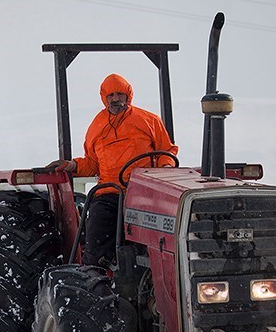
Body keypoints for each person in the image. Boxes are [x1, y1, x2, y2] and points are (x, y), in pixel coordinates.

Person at [47, 73, 178, 267]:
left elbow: (165, 151)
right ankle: (97, 276)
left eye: (120, 94)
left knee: (160, 236)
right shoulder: (97, 127)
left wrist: (166, 167)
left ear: (128, 96)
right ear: (104, 98)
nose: (116, 99)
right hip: (109, 194)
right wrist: (73, 166)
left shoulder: (148, 120)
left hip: (143, 193)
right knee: (97, 231)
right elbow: (93, 162)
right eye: (111, 95)